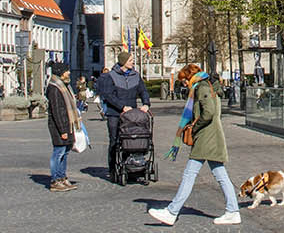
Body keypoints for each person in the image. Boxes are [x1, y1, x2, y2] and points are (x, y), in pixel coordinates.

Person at [148, 64, 240, 226]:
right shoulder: (207, 85)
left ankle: (172, 211)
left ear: (190, 77)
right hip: (212, 135)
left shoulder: (201, 87)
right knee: (220, 175)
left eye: (183, 80)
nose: (183, 84)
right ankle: (233, 211)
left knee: (190, 174)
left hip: (206, 136)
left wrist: (194, 127)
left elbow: (209, 112)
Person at [95, 50, 150, 180]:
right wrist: (122, 106)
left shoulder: (135, 75)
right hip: (115, 113)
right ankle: (113, 169)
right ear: (124, 62)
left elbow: (143, 91)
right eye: (130, 60)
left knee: (131, 139)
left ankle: (129, 167)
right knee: (114, 140)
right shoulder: (111, 76)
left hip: (131, 115)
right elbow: (109, 95)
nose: (133, 62)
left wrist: (146, 103)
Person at [45, 64, 80, 191]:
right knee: (58, 152)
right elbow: (56, 111)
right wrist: (62, 130)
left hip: (67, 124)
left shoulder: (64, 86)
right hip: (59, 126)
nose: (69, 73)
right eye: (67, 71)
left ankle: (62, 177)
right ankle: (55, 180)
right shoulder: (54, 88)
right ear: (61, 72)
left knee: (65, 152)